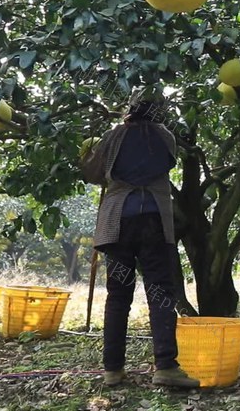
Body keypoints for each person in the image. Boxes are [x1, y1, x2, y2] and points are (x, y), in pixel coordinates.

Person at [81, 87, 199, 388]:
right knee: (160, 292)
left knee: (118, 296)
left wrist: (89, 154)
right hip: (155, 221)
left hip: (118, 224)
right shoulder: (166, 138)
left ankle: (113, 369)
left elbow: (93, 173)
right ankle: (165, 366)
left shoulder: (114, 136)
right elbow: (163, 164)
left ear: (130, 108)